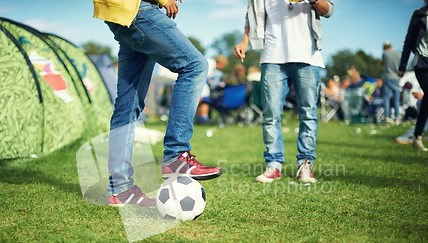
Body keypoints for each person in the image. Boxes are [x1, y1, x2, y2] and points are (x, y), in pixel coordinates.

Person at [93, 0, 222, 206]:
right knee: (195, 66)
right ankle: (176, 154)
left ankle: (120, 189)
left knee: (128, 103)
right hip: (138, 9)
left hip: (118, 13)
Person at [234, 0, 334, 183]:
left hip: (307, 55)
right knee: (271, 114)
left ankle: (305, 164)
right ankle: (273, 165)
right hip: (272, 55)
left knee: (308, 113)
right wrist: (245, 41)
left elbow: (328, 10)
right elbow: (252, 14)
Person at [398, 0, 428, 153]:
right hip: (422, 63)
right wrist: (403, 65)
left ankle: (417, 137)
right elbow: (409, 40)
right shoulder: (419, 15)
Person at [195, 55, 229, 124]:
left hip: (202, 85)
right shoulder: (210, 63)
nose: (223, 68)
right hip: (200, 85)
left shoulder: (212, 66)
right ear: (220, 63)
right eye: (223, 65)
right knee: (201, 100)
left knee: (204, 101)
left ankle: (202, 119)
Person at [381, 41, 402, 124]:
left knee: (386, 98)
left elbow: (382, 64)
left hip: (387, 77)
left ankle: (387, 116)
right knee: (397, 99)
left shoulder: (385, 54)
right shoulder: (398, 53)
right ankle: (397, 117)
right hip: (396, 78)